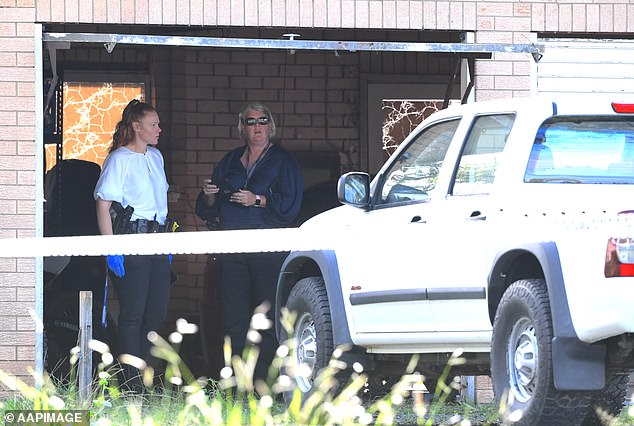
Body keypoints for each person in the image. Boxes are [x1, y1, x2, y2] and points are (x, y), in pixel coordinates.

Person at [195, 101, 303, 382]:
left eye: (262, 121)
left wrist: (256, 200)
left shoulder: (283, 160)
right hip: (233, 246)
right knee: (233, 315)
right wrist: (208, 194)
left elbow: (290, 206)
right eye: (251, 121)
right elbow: (209, 208)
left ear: (271, 126)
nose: (257, 127)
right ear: (242, 126)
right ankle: (235, 381)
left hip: (267, 247)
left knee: (267, 314)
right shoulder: (230, 160)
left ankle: (265, 383)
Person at [94, 99, 173, 394]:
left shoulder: (156, 157)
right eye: (153, 125)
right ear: (137, 127)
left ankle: (146, 377)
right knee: (133, 314)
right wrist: (110, 248)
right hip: (132, 242)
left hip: (158, 241)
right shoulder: (119, 159)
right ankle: (131, 386)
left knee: (156, 313)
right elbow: (103, 205)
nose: (159, 130)